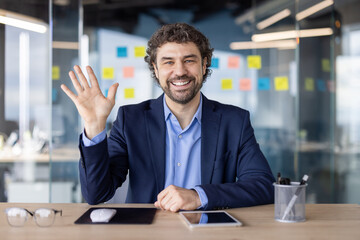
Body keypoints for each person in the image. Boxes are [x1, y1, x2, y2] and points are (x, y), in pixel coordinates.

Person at [61, 23, 275, 212]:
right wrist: (94, 126)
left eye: (189, 60)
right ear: (155, 68)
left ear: (204, 64)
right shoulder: (130, 120)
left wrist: (198, 196)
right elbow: (96, 195)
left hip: (210, 231)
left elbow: (263, 185)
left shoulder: (234, 121)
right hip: (147, 232)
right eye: (168, 62)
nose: (180, 71)